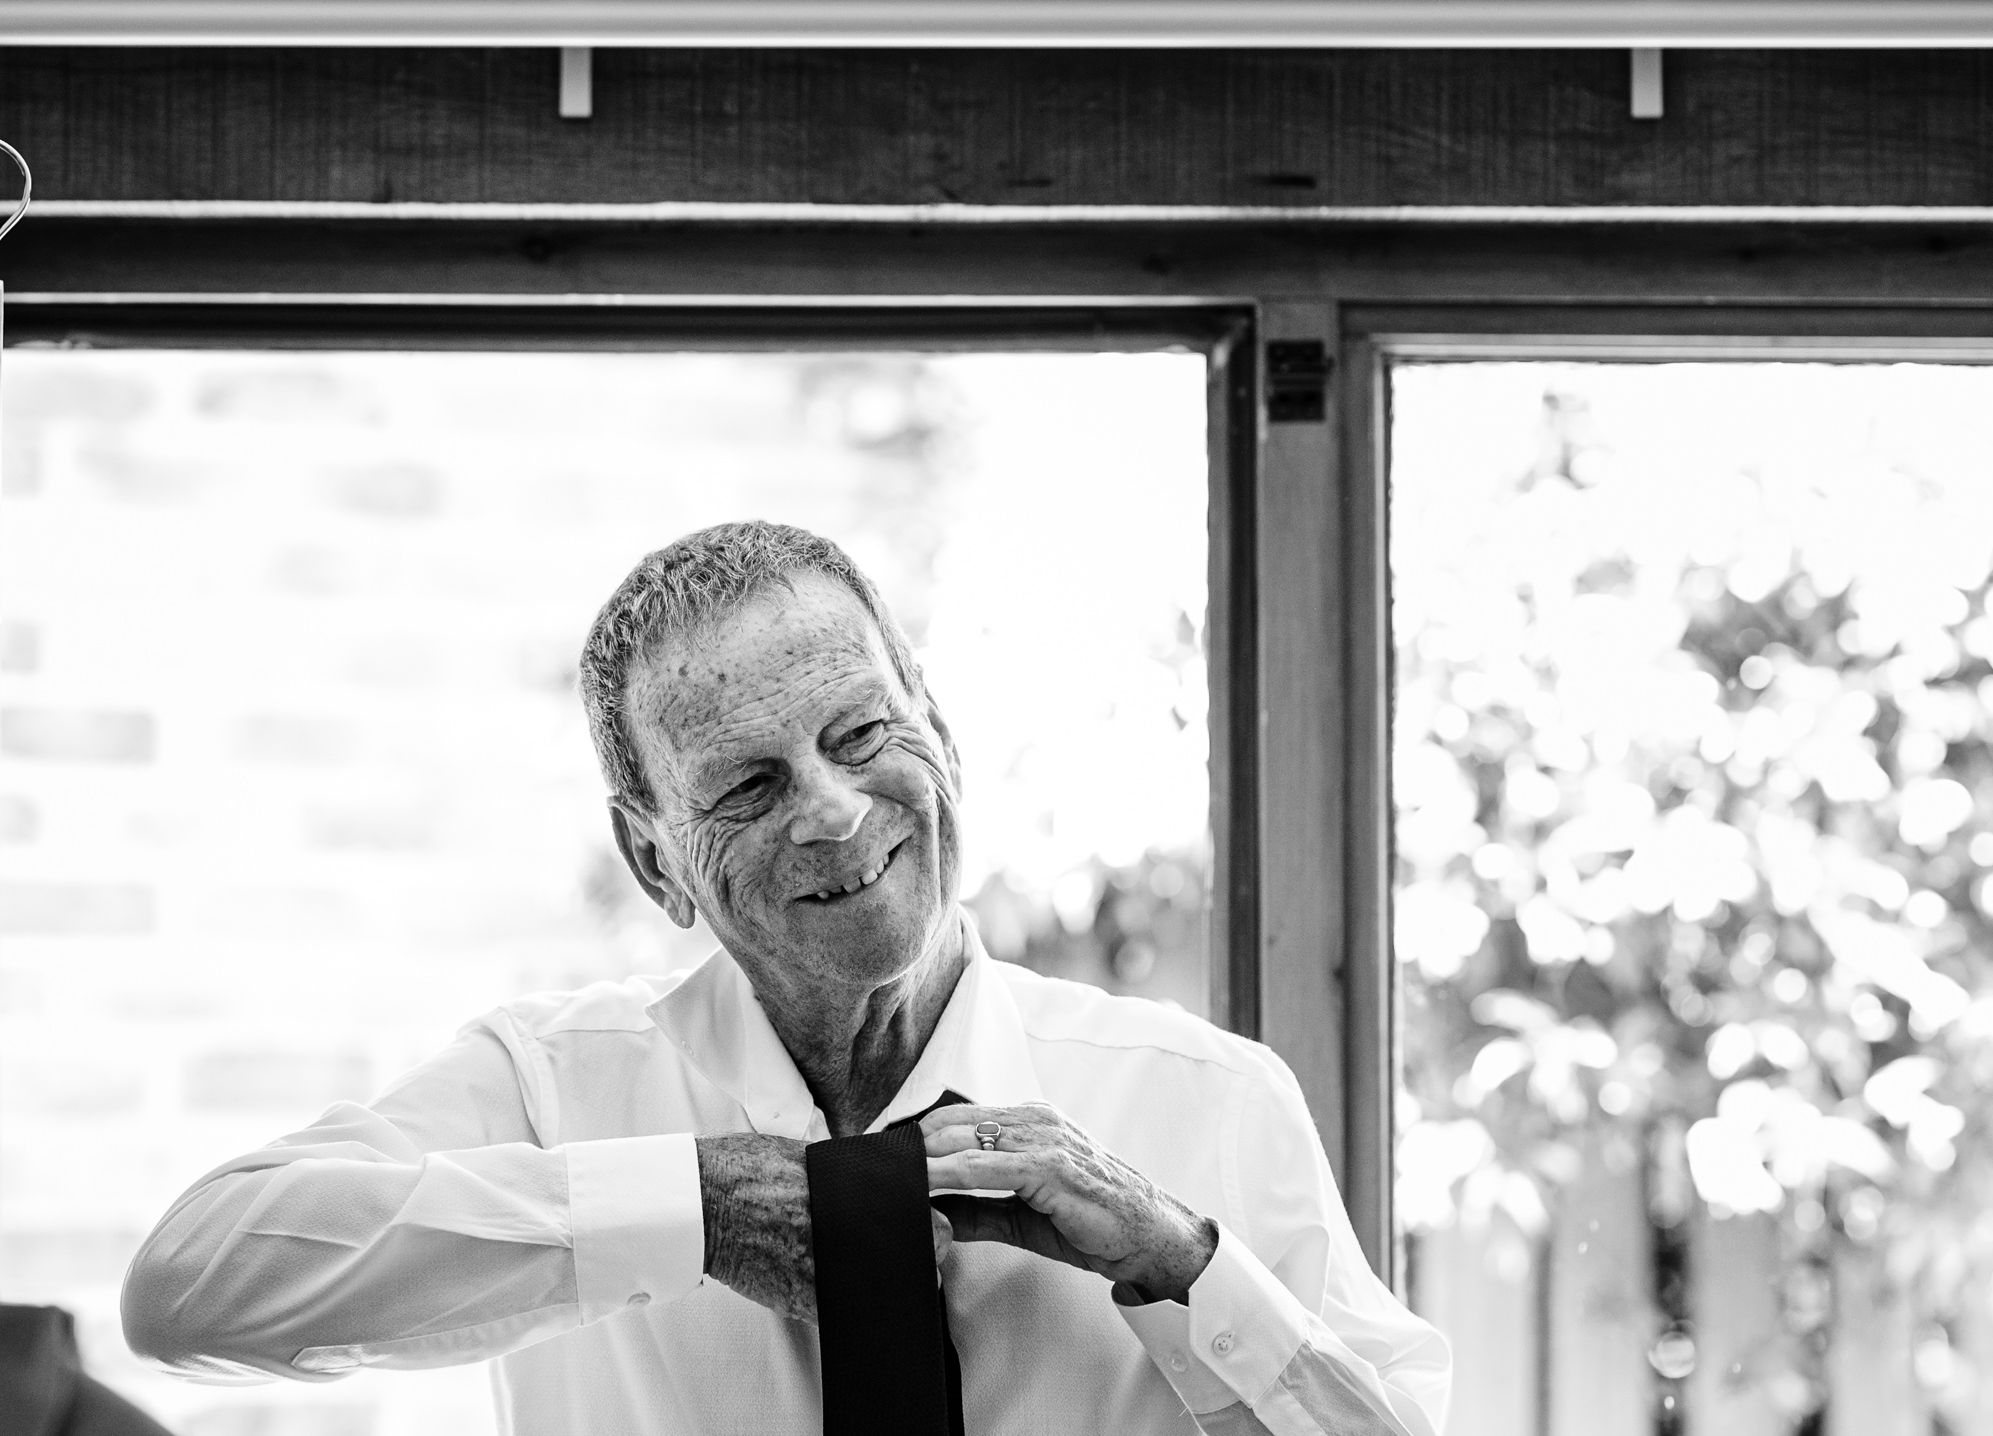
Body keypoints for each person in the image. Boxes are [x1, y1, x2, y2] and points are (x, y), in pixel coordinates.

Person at [121, 522, 1449, 1436]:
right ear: (659, 865)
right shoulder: (550, 1087)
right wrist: (689, 1206)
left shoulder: (1207, 1102)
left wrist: (1184, 1264)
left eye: (862, 733)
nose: (831, 811)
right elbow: (187, 1289)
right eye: (749, 785)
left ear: (939, 731)